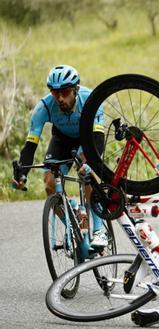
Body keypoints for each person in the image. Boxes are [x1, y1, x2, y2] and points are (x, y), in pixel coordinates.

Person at [12, 65, 108, 248]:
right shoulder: (44, 107)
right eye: (55, 93)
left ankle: (99, 229)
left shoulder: (91, 99)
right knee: (49, 184)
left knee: (86, 172)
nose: (60, 98)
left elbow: (98, 139)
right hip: (62, 140)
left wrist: (87, 161)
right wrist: (22, 173)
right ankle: (73, 226)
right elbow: (30, 145)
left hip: (88, 138)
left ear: (76, 89)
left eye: (65, 92)